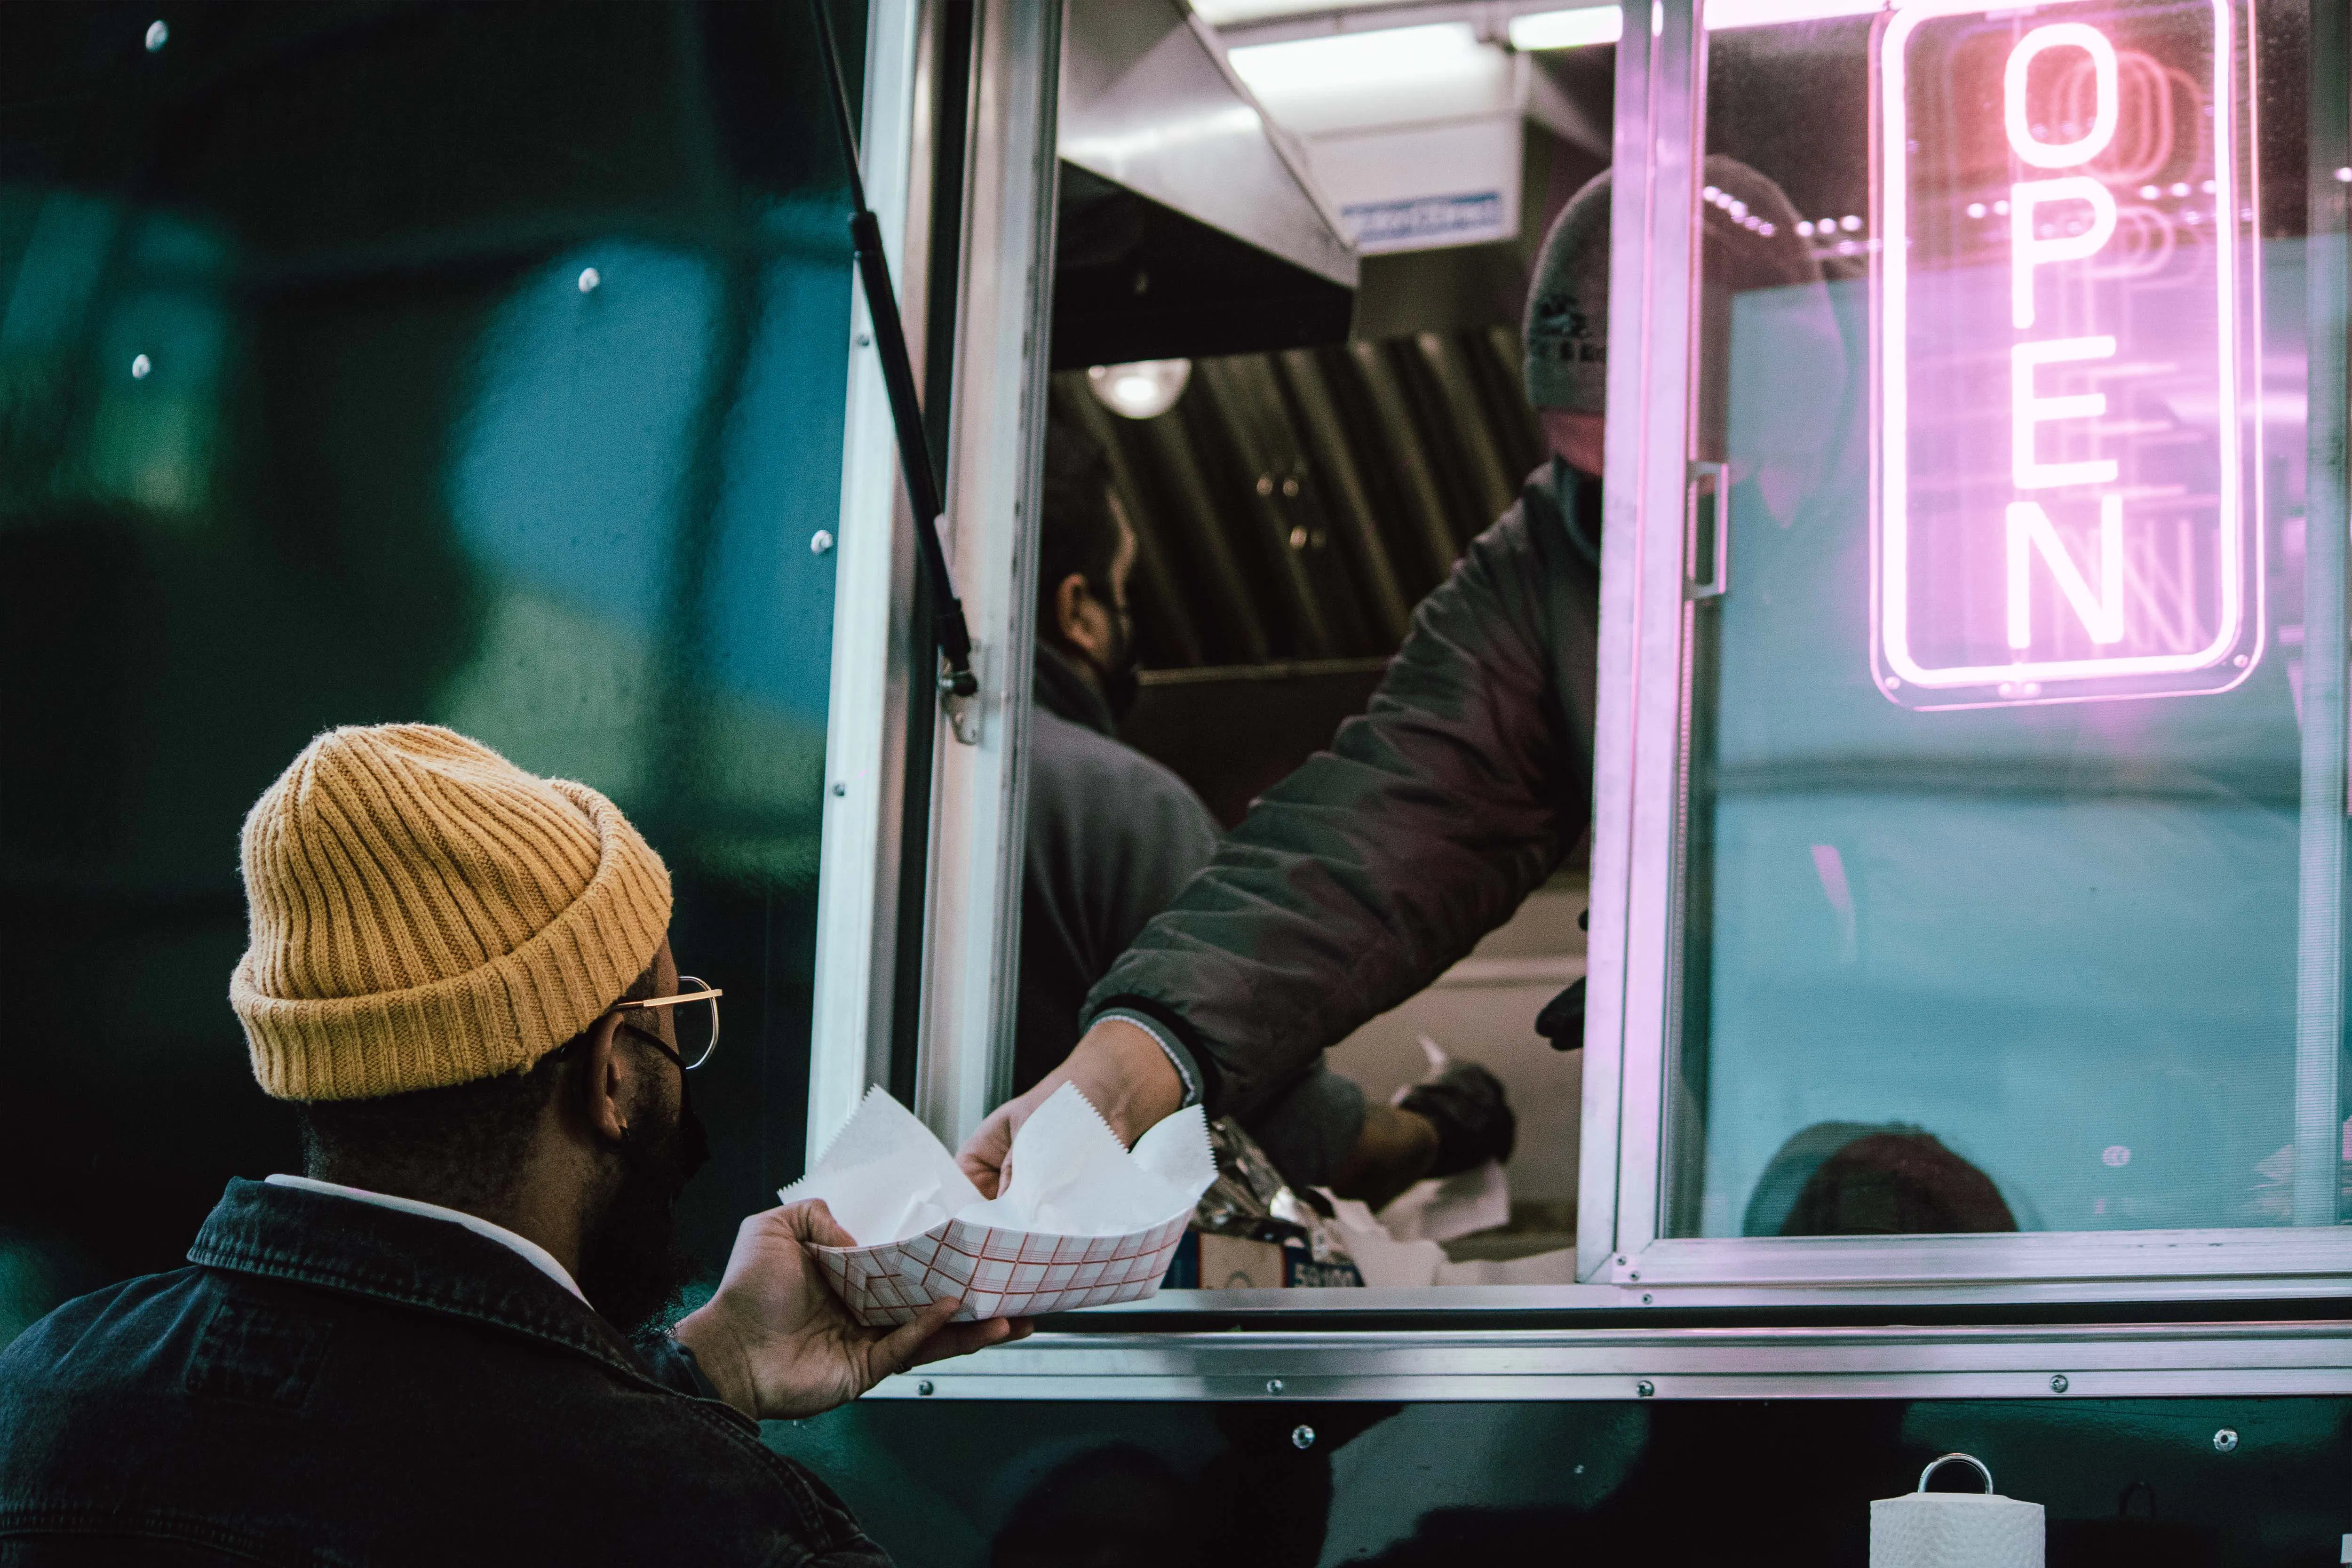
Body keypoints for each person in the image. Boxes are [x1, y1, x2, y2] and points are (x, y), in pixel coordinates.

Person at [962, 159, 1822, 1198]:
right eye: (1592, 472)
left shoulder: (1952, 510)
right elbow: (1376, 833)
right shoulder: (1552, 559)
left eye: (1668, 470)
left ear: (1792, 399)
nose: (1627, 515)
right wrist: (1122, 1071)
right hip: (1754, 1153)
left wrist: (1753, 945)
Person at [0, 724, 1025, 1565]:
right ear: (610, 1073)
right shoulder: (722, 1526)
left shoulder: (42, 1401)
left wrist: (701, 1370)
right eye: (676, 1015)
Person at [1017, 418, 1513, 1208]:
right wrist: (1442, 1127)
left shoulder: (859, 790)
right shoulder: (1123, 808)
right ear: (1078, 610)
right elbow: (1297, 1151)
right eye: (1126, 591)